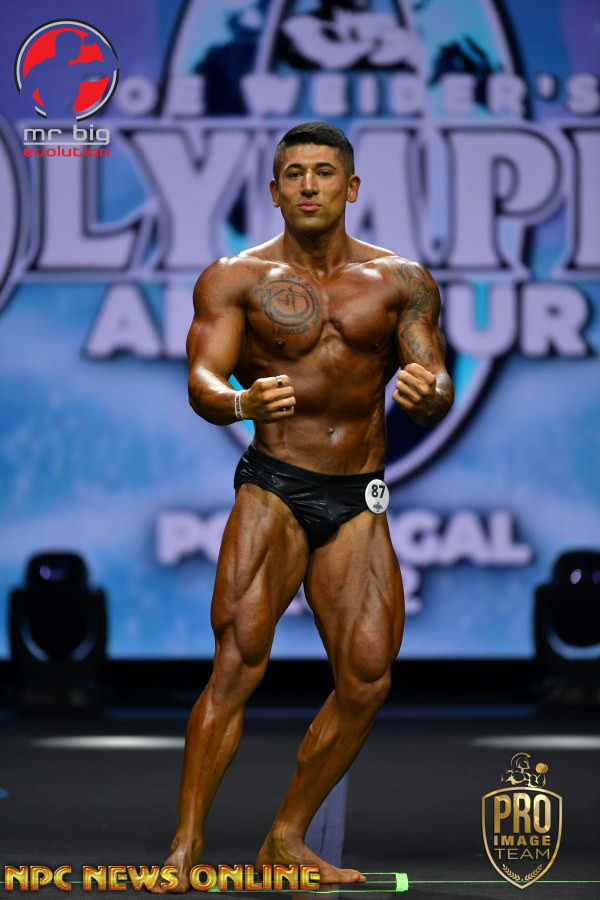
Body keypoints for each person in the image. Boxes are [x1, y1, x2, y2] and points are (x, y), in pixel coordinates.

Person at [153, 121, 454, 892]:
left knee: (368, 679)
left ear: (351, 187)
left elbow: (435, 374)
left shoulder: (402, 281)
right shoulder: (234, 279)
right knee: (236, 665)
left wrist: (431, 392)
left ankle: (286, 837)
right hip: (275, 486)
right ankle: (184, 849)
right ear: (275, 189)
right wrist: (239, 401)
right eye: (295, 173)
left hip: (359, 495)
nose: (309, 185)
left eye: (323, 172)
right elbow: (202, 380)